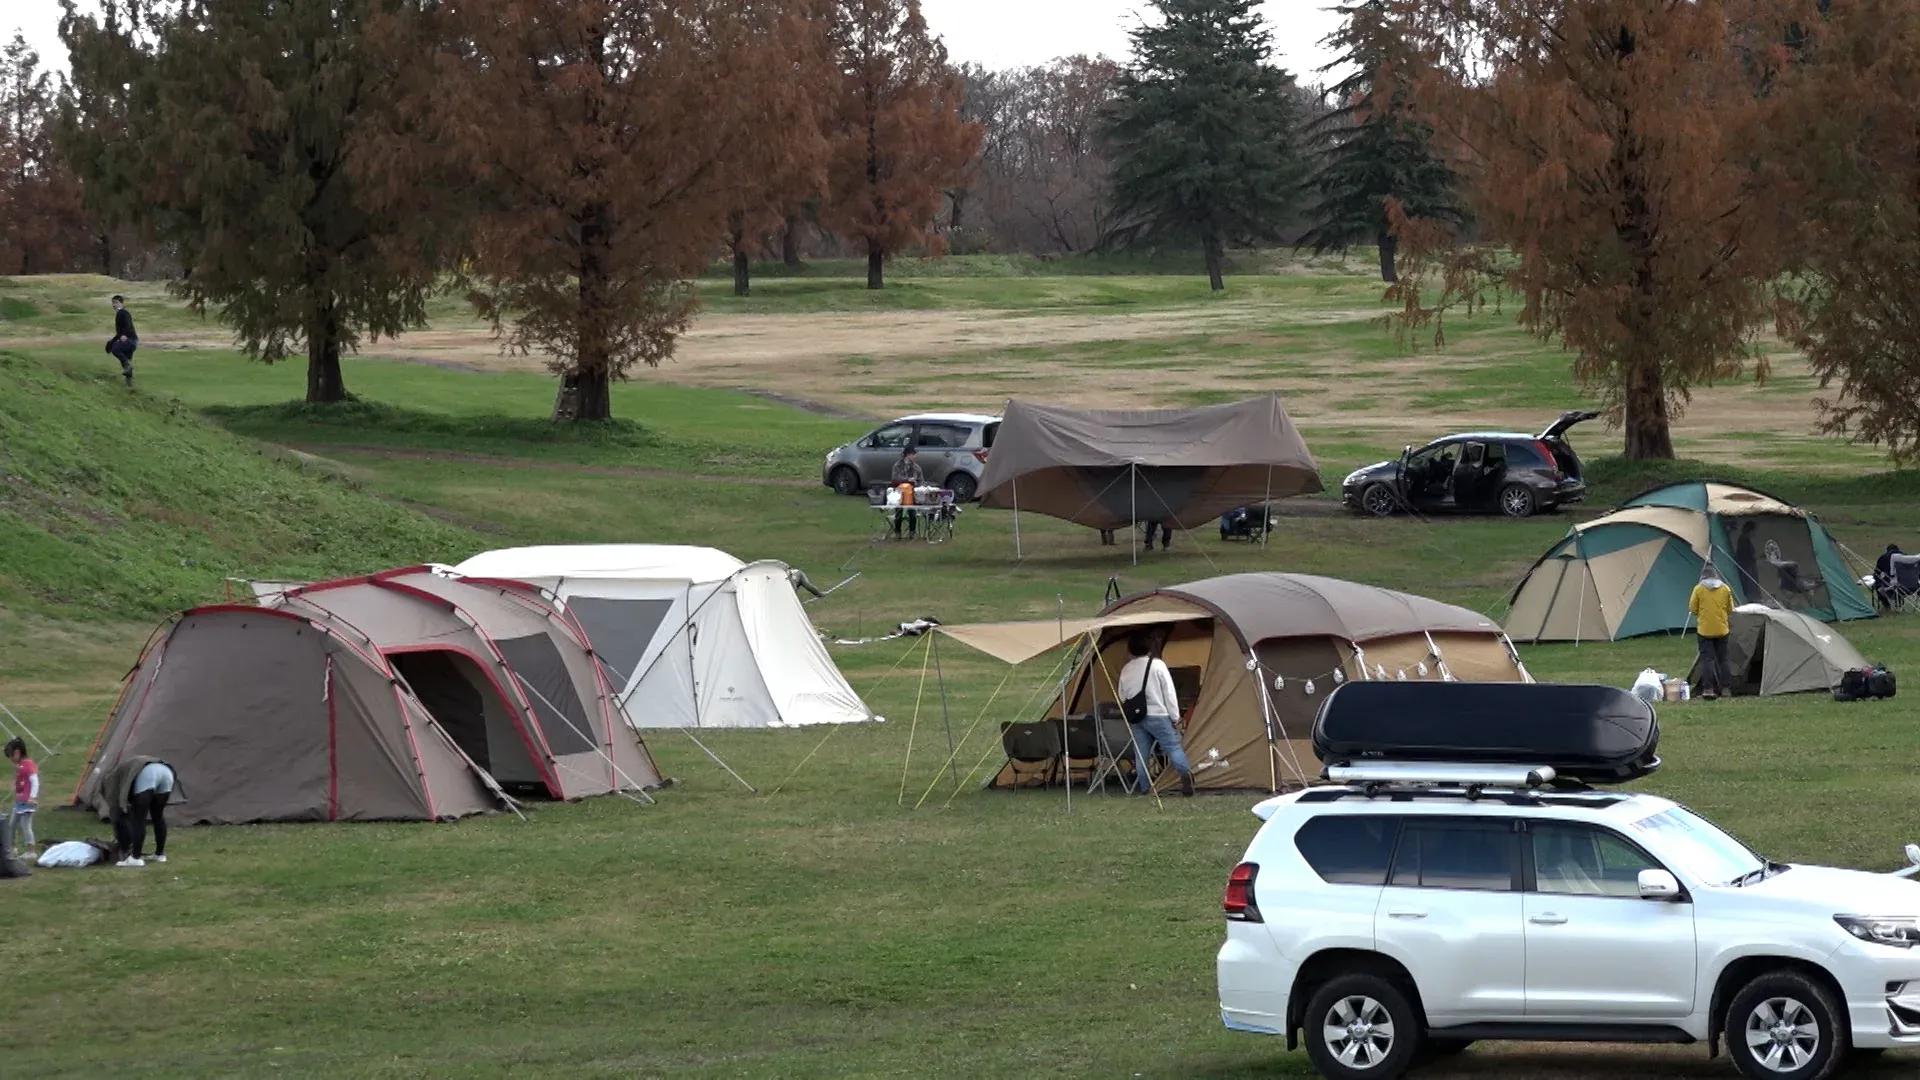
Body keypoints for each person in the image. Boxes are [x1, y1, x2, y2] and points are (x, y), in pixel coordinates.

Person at [1117, 632, 1194, 796]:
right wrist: (1175, 716)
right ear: (1149, 648)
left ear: (1130, 650)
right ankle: (1185, 774)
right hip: (1158, 714)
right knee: (1173, 747)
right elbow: (1169, 692)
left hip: (1137, 718)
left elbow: (1122, 695)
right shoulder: (1157, 665)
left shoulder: (1126, 669)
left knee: (1141, 753)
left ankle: (1145, 788)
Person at [102, 755, 177, 868]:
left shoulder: (110, 780)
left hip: (147, 774)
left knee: (138, 819)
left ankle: (135, 858)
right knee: (158, 816)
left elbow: (116, 807)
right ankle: (159, 855)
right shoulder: (122, 770)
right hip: (166, 772)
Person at [1689, 565, 1736, 700]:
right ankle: (1726, 689)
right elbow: (1730, 609)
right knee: (1724, 659)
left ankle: (1708, 689)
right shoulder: (1725, 588)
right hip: (1722, 630)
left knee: (1707, 660)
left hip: (1704, 630)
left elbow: (1692, 609)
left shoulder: (1698, 589)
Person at [6, 738, 36, 854]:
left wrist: (32, 797)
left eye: (11, 756)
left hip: (27, 803)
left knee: (25, 826)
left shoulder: (28, 765)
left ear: (17, 752)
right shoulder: (21, 765)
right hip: (19, 802)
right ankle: (12, 848)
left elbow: (35, 781)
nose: (10, 759)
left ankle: (31, 851)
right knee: (12, 825)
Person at [890, 445, 923, 538]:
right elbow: (894, 479)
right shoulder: (897, 466)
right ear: (908, 455)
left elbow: (921, 480)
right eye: (914, 455)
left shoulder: (916, 467)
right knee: (898, 512)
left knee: (912, 513)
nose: (915, 457)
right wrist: (907, 480)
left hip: (912, 494)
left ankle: (912, 532)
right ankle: (897, 532)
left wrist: (918, 486)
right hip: (899, 493)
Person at [107, 294, 138, 387]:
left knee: (116, 349)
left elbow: (127, 324)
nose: (114, 305)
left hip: (130, 340)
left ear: (121, 303)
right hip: (132, 341)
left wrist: (124, 334)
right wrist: (111, 341)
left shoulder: (122, 313)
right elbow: (119, 333)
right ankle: (129, 385)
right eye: (112, 303)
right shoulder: (121, 313)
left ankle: (128, 368)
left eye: (116, 302)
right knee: (126, 362)